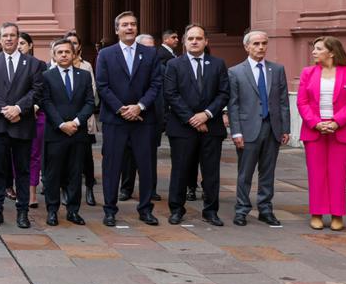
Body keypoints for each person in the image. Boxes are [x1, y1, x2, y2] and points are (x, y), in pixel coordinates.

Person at [95, 11, 161, 227]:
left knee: (146, 166)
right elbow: (102, 86)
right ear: (117, 30)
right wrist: (122, 109)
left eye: (133, 24)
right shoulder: (106, 54)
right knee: (112, 167)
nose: (130, 28)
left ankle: (145, 209)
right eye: (125, 25)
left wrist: (139, 107)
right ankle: (110, 210)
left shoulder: (150, 54)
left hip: (143, 119)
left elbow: (155, 84)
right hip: (115, 120)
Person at [163, 24, 230, 226]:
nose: (194, 41)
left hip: (211, 127)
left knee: (211, 172)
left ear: (206, 41)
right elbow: (171, 94)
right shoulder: (174, 65)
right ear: (184, 42)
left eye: (198, 38)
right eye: (190, 38)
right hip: (183, 127)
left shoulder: (218, 64)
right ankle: (176, 209)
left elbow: (224, 93)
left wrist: (206, 115)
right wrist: (192, 118)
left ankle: (210, 211)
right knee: (180, 170)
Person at [0, 22, 45, 229]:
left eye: (12, 35)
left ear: (18, 38)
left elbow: (36, 91)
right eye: (4, 35)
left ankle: (22, 212)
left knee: (23, 170)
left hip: (22, 124)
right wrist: (5, 110)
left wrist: (18, 108)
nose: (8, 39)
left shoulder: (33, 63)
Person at [297, 36, 346, 231]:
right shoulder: (307, 72)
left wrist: (336, 122)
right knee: (316, 174)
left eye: (318, 49)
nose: (313, 52)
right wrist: (316, 123)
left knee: (337, 173)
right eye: (314, 49)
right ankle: (316, 213)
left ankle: (337, 215)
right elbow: (302, 102)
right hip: (314, 131)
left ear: (331, 52)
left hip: (340, 131)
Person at [227, 31, 290, 227]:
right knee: (245, 173)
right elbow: (233, 104)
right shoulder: (235, 72)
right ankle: (242, 209)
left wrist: (285, 128)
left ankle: (265, 209)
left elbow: (283, 101)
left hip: (272, 128)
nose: (260, 47)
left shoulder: (277, 70)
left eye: (264, 43)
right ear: (247, 47)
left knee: (268, 172)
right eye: (256, 44)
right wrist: (236, 132)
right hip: (247, 130)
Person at [41, 39, 95, 226]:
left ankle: (73, 211)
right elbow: (46, 102)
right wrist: (61, 124)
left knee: (75, 173)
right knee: (53, 174)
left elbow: (90, 102)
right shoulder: (47, 76)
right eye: (60, 52)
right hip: (55, 134)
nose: (64, 55)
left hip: (78, 133)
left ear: (74, 54)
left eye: (67, 52)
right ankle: (52, 211)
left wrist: (77, 122)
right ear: (54, 56)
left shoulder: (84, 76)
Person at [120, 34, 159, 203]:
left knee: (149, 157)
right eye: (146, 46)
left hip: (150, 115)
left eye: (152, 47)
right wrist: (128, 109)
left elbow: (157, 88)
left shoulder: (157, 64)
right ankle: (126, 188)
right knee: (128, 157)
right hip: (125, 114)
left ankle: (150, 190)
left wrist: (142, 106)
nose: (150, 50)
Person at [64, 31, 98, 206]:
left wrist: (79, 117)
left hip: (83, 120)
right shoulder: (56, 66)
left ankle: (90, 188)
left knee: (86, 158)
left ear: (79, 46)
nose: (72, 46)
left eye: (75, 43)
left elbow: (92, 93)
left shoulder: (86, 67)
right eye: (69, 42)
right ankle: (66, 190)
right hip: (63, 122)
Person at [17, 32, 46, 207]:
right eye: (17, 43)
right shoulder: (8, 65)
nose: (19, 46)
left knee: (34, 154)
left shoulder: (40, 65)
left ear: (30, 45)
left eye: (23, 43)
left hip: (36, 115)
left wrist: (35, 105)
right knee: (17, 155)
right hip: (16, 116)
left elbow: (42, 90)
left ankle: (32, 191)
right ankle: (19, 188)